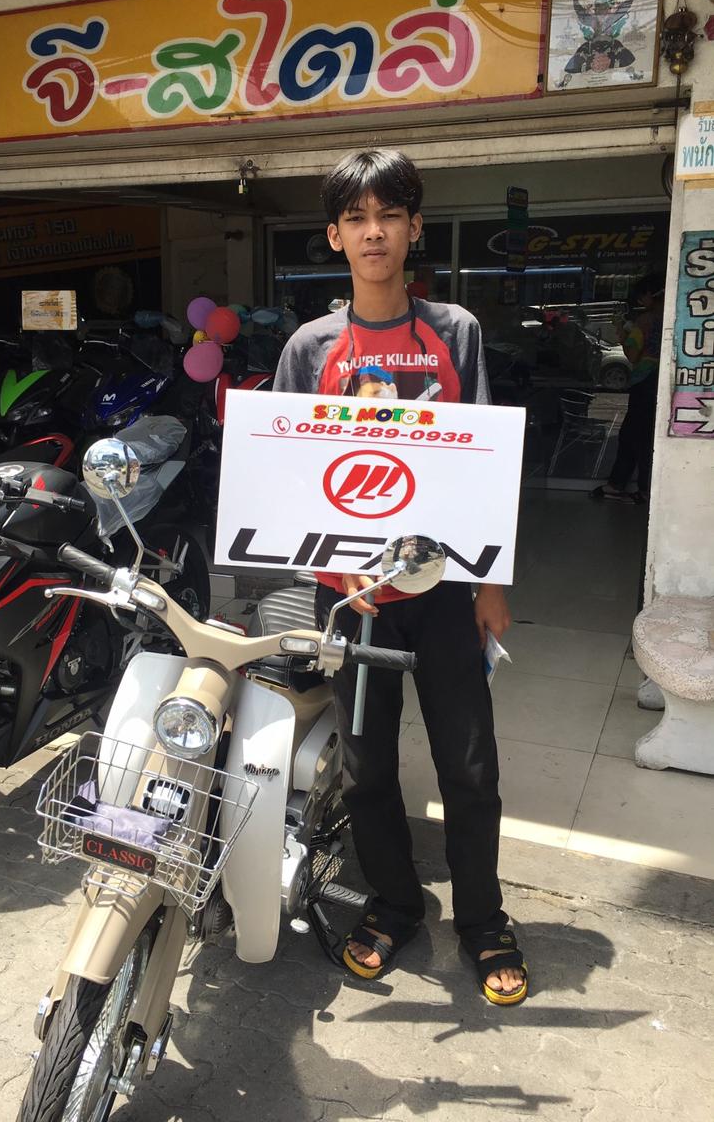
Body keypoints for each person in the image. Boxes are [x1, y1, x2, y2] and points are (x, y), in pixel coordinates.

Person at [273, 149, 527, 1005]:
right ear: (334, 236)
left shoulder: (453, 332)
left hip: (445, 591)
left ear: (414, 228)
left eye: (389, 214)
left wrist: (491, 585)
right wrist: (316, 559)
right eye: (356, 217)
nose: (372, 231)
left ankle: (483, 919)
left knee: (469, 768)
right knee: (367, 770)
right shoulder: (309, 347)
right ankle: (392, 904)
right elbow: (284, 467)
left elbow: (485, 461)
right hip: (352, 602)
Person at [590, 275, 664, 505]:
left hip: (645, 381)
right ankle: (633, 485)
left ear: (649, 295)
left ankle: (635, 487)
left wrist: (623, 334)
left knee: (635, 435)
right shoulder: (672, 316)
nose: (640, 301)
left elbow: (632, 355)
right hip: (662, 381)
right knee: (646, 435)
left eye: (641, 296)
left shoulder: (645, 320)